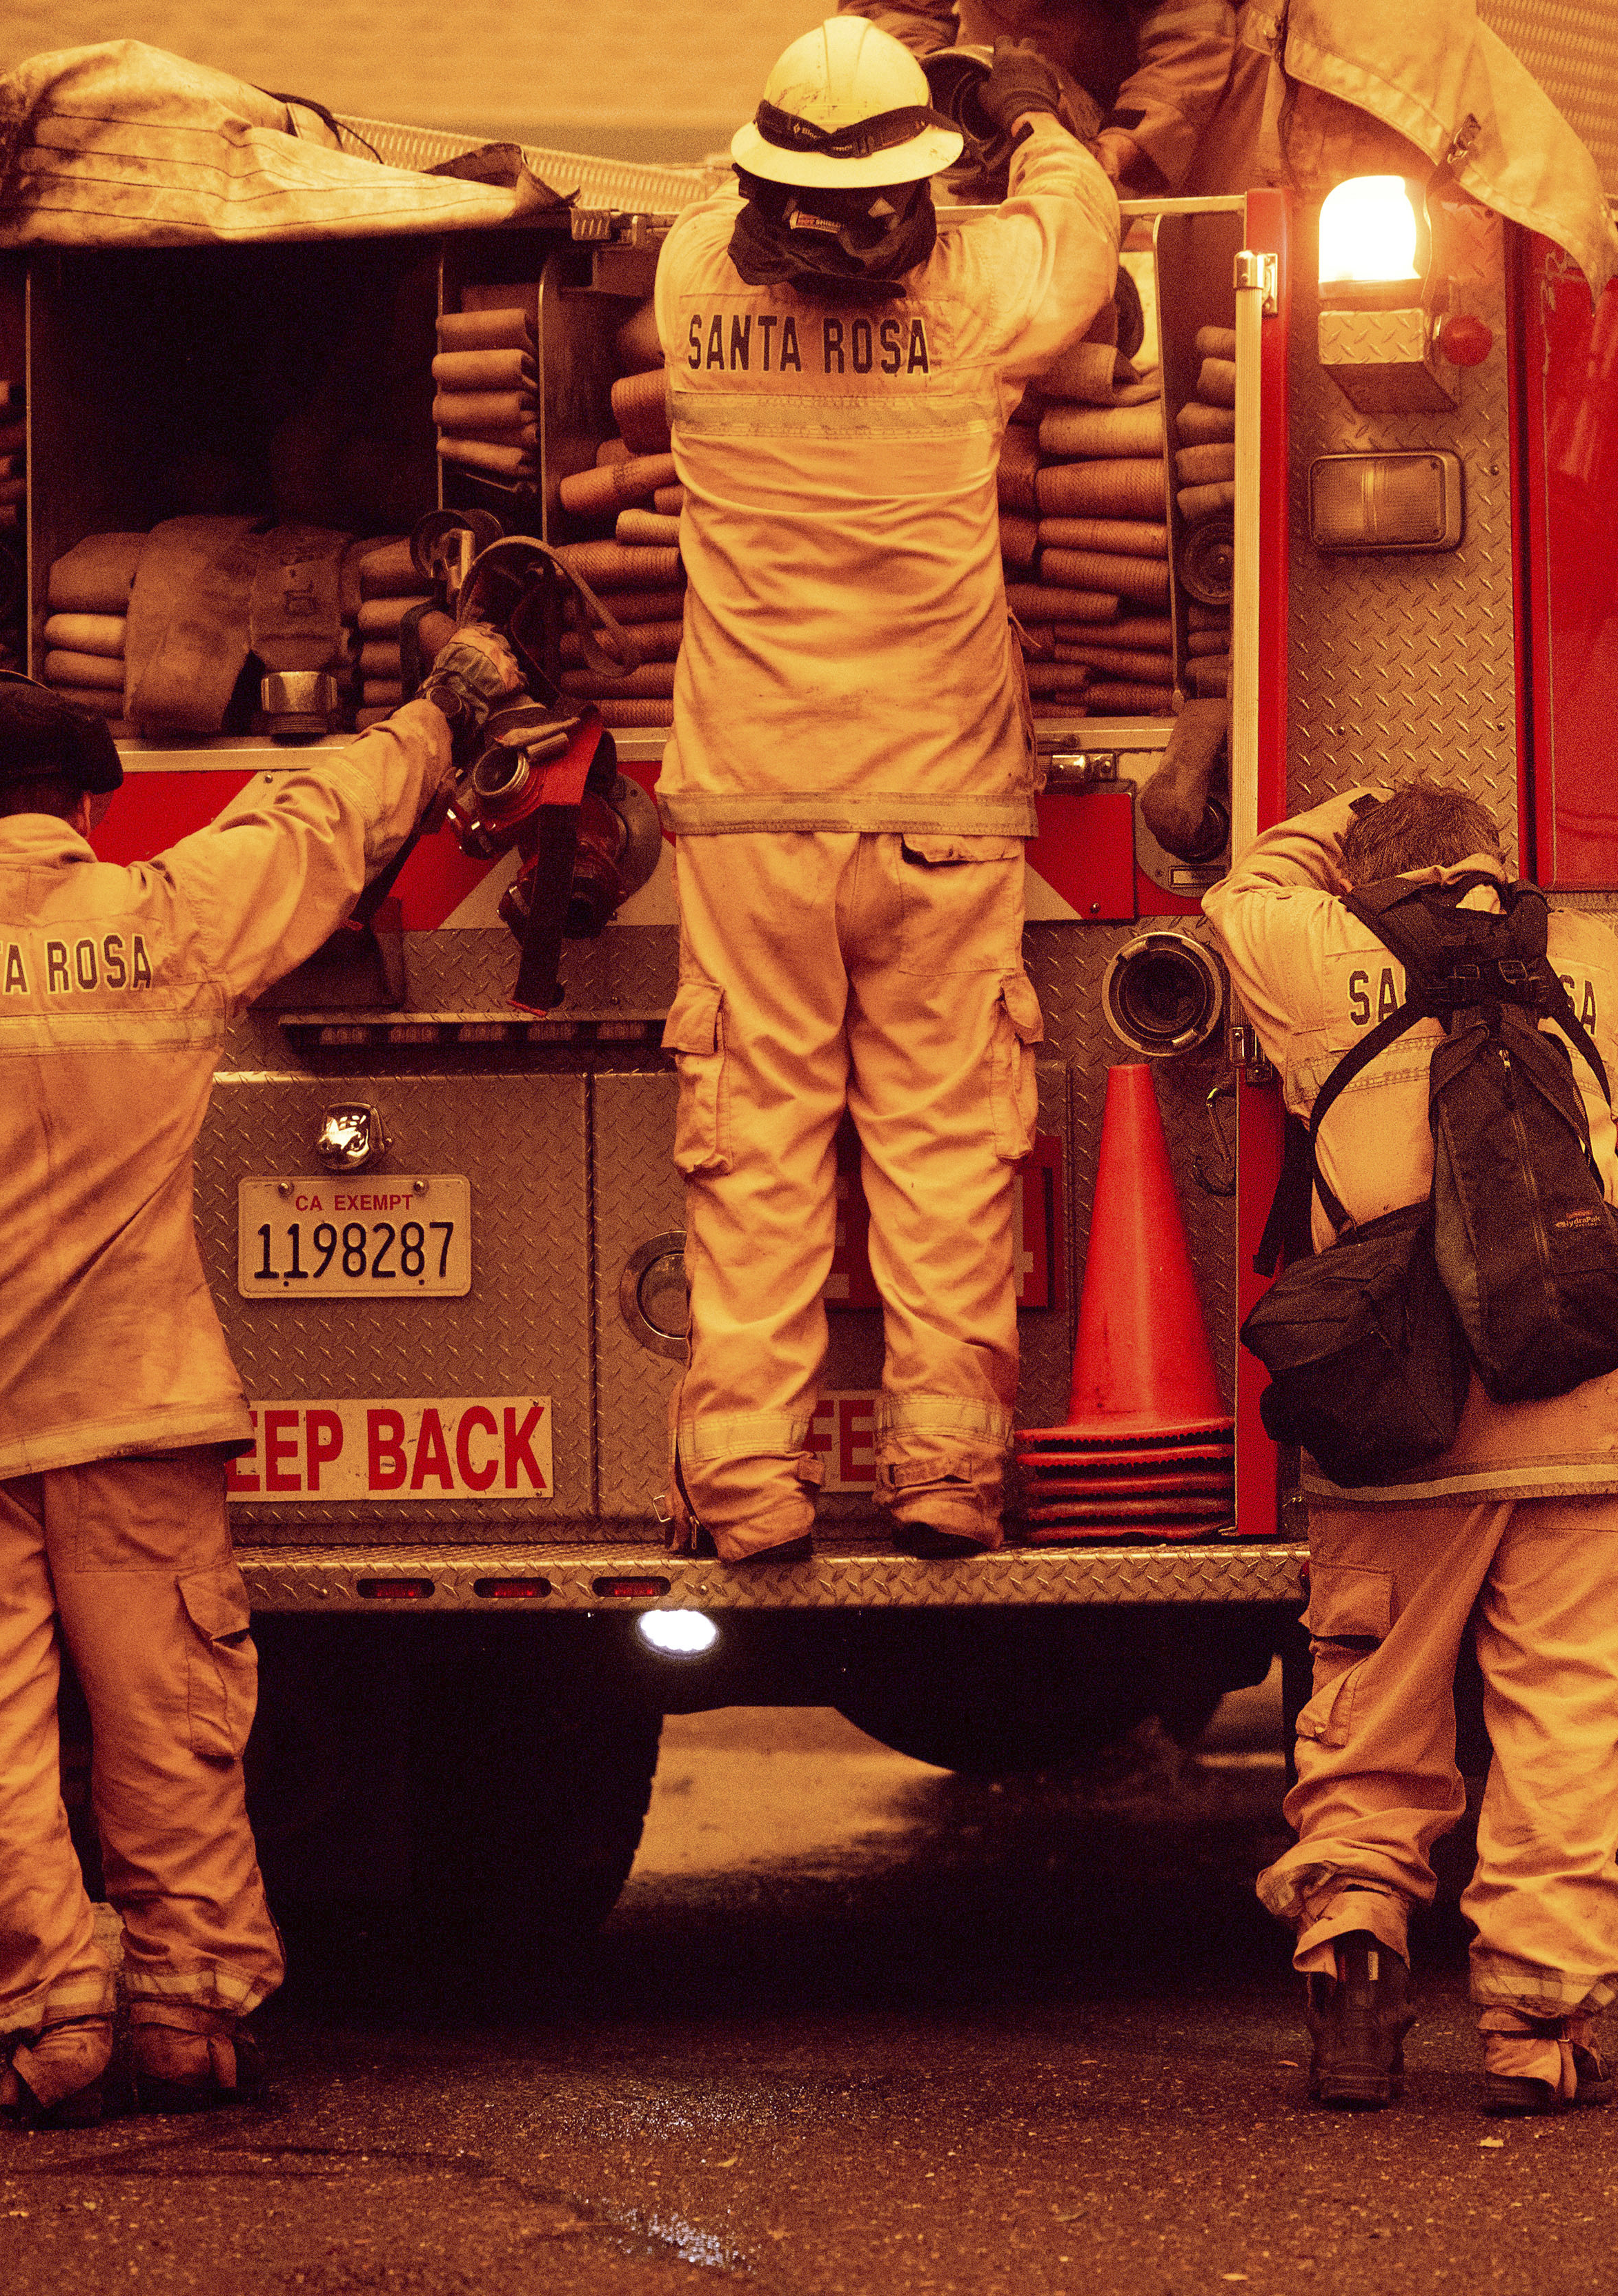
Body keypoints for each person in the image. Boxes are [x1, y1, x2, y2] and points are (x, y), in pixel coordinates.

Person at [0, 639, 520, 2128]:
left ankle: (50, 2026)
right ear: (97, 809)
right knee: (167, 1713)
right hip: (137, 1402)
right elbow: (318, 818)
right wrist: (442, 710)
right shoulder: (169, 914)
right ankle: (190, 2017)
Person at [654, 19, 1119, 1565]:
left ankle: (746, 1483)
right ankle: (940, 1477)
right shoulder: (985, 292)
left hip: (749, 803)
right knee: (941, 1144)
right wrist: (1029, 107)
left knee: (758, 1146)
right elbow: (1079, 234)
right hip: (940, 804)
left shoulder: (686, 281)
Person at [1203, 784, 1618, 2116]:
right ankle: (1535, 2027)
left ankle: (1355, 1966)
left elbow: (1239, 891)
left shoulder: (1313, 949)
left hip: (1394, 1410)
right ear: (1491, 865)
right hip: (1582, 1401)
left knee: (1374, 1706)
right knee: (1569, 1716)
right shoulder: (1587, 955)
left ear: (1363, 872)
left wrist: (1338, 814)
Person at [840, 0, 1271, 196]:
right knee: (1020, 297)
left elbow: (1189, 28)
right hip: (1004, 72)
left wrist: (1119, 148)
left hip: (1173, 78)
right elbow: (891, 12)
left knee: (1208, 272)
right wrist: (934, 83)